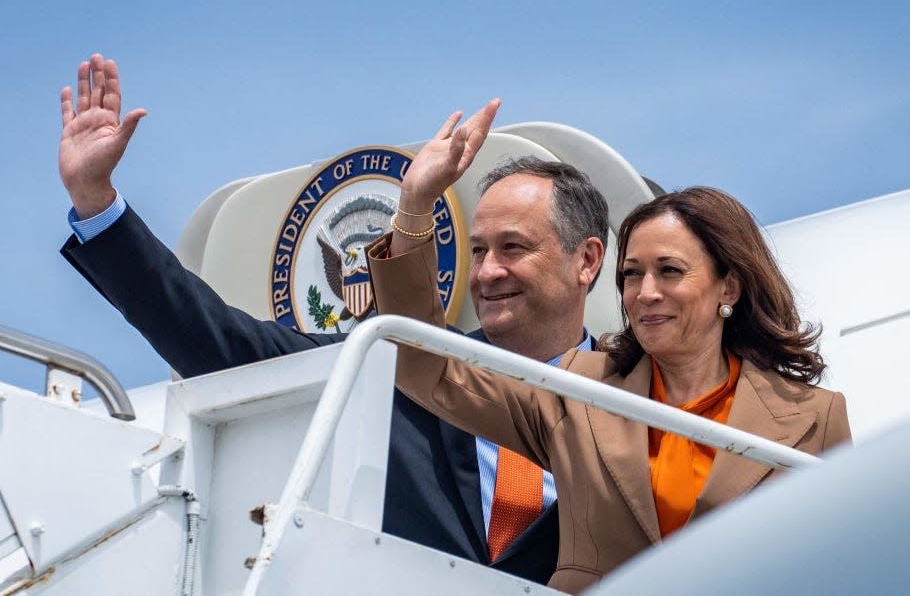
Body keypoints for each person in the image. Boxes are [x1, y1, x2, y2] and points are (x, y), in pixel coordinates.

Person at [57, 54, 611, 583]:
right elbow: (218, 340)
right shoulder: (396, 368)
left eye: (513, 247)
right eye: (480, 250)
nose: (487, 272)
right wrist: (96, 203)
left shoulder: (644, 403)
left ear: (586, 261)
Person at [366, 122, 852, 594]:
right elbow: (424, 364)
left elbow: (842, 566)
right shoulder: (580, 390)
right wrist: (414, 205)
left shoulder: (813, 417)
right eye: (633, 274)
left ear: (729, 285)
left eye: (670, 271)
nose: (646, 293)